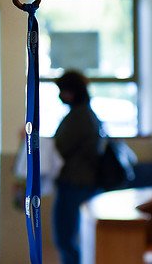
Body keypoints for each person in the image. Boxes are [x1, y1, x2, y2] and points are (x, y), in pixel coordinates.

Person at [52, 70, 104, 264]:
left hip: (75, 185)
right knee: (71, 238)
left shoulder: (79, 117)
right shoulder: (86, 115)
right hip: (81, 184)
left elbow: (60, 147)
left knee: (66, 238)